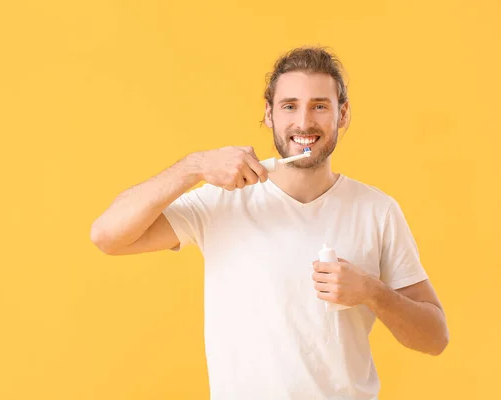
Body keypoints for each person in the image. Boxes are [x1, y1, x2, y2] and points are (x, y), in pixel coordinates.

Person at [90, 46, 449, 400]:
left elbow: (435, 338)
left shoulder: (377, 210)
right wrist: (194, 166)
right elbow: (107, 236)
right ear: (269, 114)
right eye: (289, 106)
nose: (304, 122)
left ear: (343, 114)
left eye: (320, 106)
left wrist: (373, 292)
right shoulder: (222, 201)